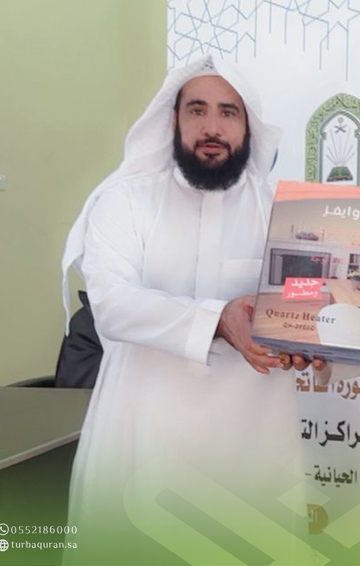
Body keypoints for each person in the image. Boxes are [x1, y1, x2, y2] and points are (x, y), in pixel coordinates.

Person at [61, 55, 322, 564]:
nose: (211, 128)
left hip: (253, 453)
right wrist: (219, 319)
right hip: (141, 445)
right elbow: (112, 305)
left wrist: (310, 341)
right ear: (174, 121)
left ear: (248, 127)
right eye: (196, 110)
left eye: (228, 112)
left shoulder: (283, 210)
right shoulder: (125, 201)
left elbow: (310, 308)